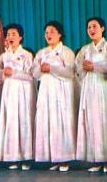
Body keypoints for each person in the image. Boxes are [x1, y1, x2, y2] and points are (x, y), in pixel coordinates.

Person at [32, 21, 76, 172]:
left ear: (60, 34)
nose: (48, 35)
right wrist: (41, 69)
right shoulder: (41, 53)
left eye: (52, 31)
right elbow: (34, 73)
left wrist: (52, 68)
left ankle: (64, 158)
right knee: (48, 121)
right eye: (46, 32)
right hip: (45, 91)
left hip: (61, 91)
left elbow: (70, 72)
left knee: (61, 121)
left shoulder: (67, 52)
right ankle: (53, 157)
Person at [75, 17, 107, 172]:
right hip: (89, 87)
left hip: (104, 87)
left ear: (102, 28)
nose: (91, 30)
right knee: (92, 122)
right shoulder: (85, 49)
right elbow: (77, 67)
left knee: (105, 122)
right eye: (89, 27)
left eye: (94, 26)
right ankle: (97, 159)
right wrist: (85, 68)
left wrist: (95, 66)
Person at [0, 23, 35, 170]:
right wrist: (3, 73)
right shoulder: (3, 56)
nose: (11, 37)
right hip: (8, 91)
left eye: (14, 34)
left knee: (23, 121)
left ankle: (26, 158)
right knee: (10, 122)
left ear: (20, 37)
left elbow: (31, 76)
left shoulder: (26, 55)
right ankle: (12, 156)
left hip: (23, 91)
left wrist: (14, 73)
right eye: (8, 35)